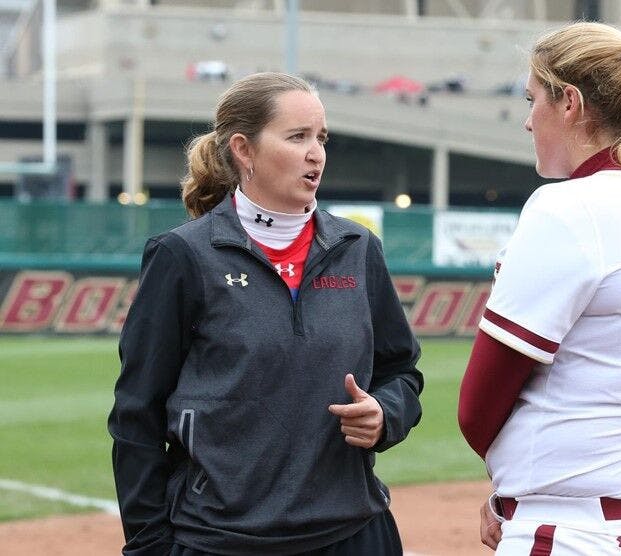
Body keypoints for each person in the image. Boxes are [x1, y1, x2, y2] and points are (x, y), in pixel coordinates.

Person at [109, 72, 423, 556]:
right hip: (220, 540)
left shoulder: (358, 249)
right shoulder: (183, 256)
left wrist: (386, 414)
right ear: (244, 149)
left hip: (354, 534)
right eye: (297, 137)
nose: (316, 152)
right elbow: (137, 416)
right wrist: (149, 545)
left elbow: (401, 372)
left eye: (321, 137)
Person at [457, 22, 621, 555]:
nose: (526, 119)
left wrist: (518, 493)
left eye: (533, 99)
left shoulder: (569, 207)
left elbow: (477, 407)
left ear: (570, 104)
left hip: (582, 531)